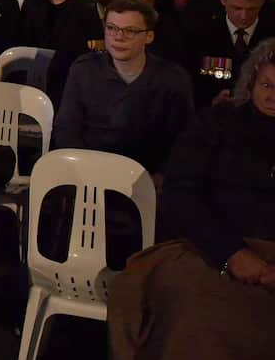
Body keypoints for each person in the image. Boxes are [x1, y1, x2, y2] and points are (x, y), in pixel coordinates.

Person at [107, 38, 275, 360]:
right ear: (252, 82)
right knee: (197, 315)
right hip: (208, 247)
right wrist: (232, 253)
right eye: (266, 84)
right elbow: (181, 193)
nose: (272, 95)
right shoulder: (216, 123)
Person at [53, 0, 194, 176]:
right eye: (112, 28)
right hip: (88, 173)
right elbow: (66, 129)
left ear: (149, 36)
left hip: (145, 176)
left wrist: (159, 177)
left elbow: (182, 141)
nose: (119, 37)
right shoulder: (84, 69)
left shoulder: (172, 79)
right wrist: (83, 171)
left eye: (130, 31)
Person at [184, 0, 275, 107]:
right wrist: (210, 102)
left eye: (252, 9)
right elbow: (190, 78)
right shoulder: (200, 32)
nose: (244, 16)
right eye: (237, 8)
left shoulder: (272, 31)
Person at [18, 0, 104, 103]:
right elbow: (23, 35)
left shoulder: (85, 6)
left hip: (68, 68)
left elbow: (91, 45)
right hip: (34, 61)